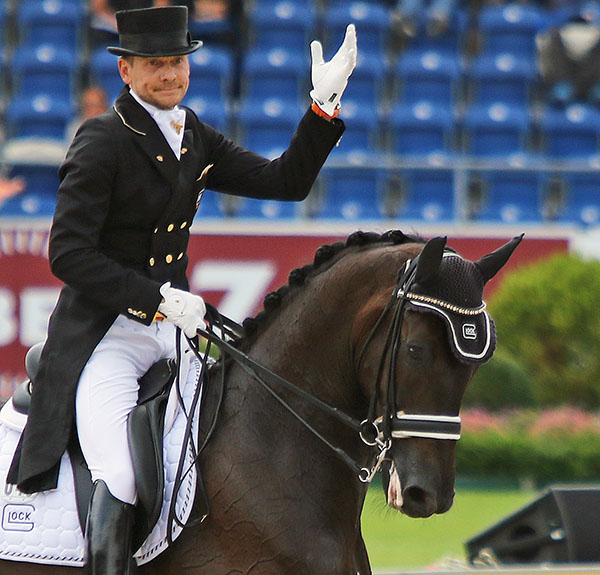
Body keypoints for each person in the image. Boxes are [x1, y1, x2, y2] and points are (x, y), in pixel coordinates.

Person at [7, 5, 356, 575]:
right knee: (119, 475)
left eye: (176, 63)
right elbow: (67, 254)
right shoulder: (102, 140)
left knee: (228, 456)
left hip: (174, 339)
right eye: (154, 65)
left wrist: (322, 109)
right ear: (127, 72)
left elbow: (284, 183)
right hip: (106, 340)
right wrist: (155, 297)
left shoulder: (192, 133)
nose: (169, 75)